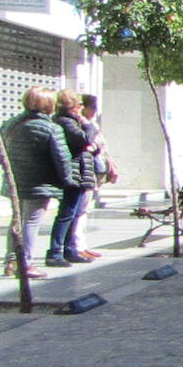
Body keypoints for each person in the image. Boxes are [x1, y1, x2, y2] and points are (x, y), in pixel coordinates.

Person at [0, 87, 73, 279]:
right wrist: (67, 181)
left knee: (16, 221)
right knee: (31, 222)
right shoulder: (51, 128)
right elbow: (62, 158)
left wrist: (15, 166)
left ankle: (11, 261)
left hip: (15, 181)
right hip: (39, 183)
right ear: (49, 105)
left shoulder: (10, 124)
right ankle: (26, 263)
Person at [45, 89, 96, 267]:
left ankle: (69, 249)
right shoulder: (66, 122)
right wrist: (88, 125)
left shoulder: (71, 122)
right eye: (79, 105)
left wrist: (91, 145)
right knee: (66, 213)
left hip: (79, 171)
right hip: (73, 172)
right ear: (73, 106)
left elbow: (91, 145)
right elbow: (85, 139)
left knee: (73, 213)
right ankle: (55, 251)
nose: (82, 108)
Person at [71, 94, 117, 260]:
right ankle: (77, 245)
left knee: (85, 210)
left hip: (95, 171)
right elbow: (91, 146)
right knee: (80, 210)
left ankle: (81, 245)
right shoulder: (80, 125)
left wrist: (111, 164)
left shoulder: (91, 124)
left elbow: (102, 147)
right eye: (93, 108)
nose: (95, 112)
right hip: (86, 171)